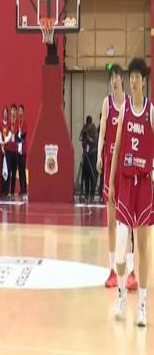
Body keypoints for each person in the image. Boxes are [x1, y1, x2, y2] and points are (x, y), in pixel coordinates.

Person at [108, 58, 152, 327]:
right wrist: (112, 182)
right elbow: (115, 149)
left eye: (137, 77)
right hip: (124, 183)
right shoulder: (124, 110)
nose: (133, 80)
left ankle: (143, 306)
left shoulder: (151, 112)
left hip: (144, 183)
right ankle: (122, 297)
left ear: (144, 81)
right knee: (121, 247)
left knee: (144, 248)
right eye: (131, 76)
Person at [97, 65, 137, 290]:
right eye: (111, 78)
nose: (113, 81)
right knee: (111, 222)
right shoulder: (107, 103)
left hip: (126, 169)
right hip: (110, 169)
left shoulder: (130, 104)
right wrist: (98, 155)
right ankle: (112, 270)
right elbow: (102, 131)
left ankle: (131, 271)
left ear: (122, 79)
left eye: (116, 77)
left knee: (128, 222)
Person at [80, 115, 98, 203]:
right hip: (86, 154)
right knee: (85, 175)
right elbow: (80, 138)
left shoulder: (94, 129)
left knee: (92, 175)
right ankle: (86, 194)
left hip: (92, 154)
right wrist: (84, 137)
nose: (88, 127)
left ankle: (92, 195)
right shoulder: (85, 128)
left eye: (89, 125)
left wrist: (88, 138)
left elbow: (95, 142)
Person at [17, 105, 27, 197]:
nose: (20, 112)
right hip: (18, 151)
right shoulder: (18, 123)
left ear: (23, 112)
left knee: (23, 170)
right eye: (19, 111)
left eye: (21, 111)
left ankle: (24, 189)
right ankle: (21, 188)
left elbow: (23, 136)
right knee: (19, 170)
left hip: (23, 150)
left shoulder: (24, 123)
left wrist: (19, 135)